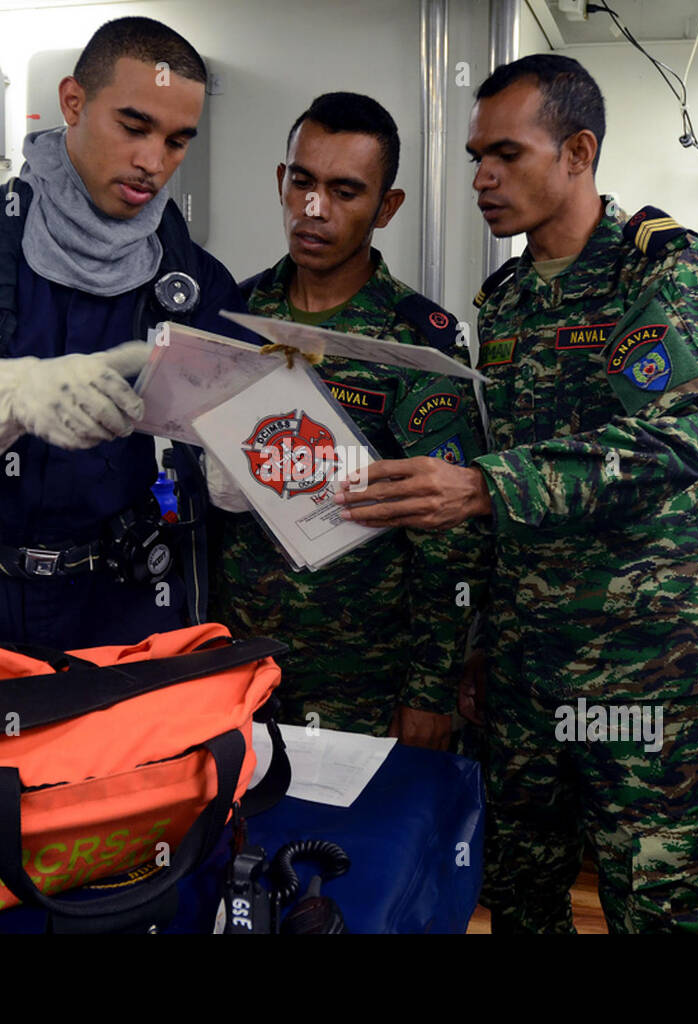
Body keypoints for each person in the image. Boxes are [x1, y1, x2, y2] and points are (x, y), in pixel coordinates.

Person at [334, 55, 698, 931]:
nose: (482, 177)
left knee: (664, 904)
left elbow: (667, 446)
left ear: (578, 152)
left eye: (506, 155)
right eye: (477, 154)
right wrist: (480, 639)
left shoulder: (664, 272)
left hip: (641, 673)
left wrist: (481, 487)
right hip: (523, 670)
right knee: (517, 891)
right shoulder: (509, 299)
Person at [0, 17, 246, 651]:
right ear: (73, 102)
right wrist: (14, 395)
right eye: (134, 126)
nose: (154, 162)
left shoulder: (195, 282)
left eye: (178, 141)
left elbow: (226, 461)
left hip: (122, 607)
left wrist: (255, 463)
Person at [207, 92, 489, 748]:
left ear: (386, 208)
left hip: (365, 681)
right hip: (238, 667)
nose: (314, 209)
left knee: (355, 849)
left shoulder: (418, 344)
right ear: (281, 180)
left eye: (344, 191)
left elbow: (451, 540)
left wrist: (429, 690)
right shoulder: (231, 317)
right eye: (302, 182)